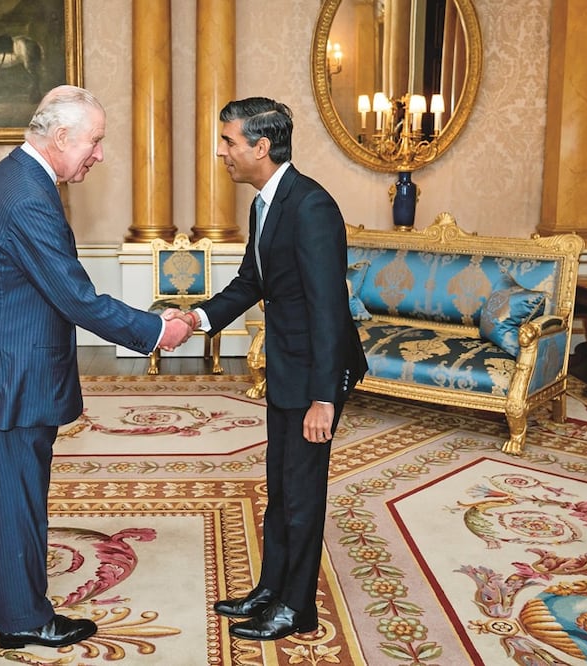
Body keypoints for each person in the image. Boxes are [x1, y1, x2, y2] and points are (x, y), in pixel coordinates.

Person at [0, 85, 192, 649]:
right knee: (20, 492)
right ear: (60, 138)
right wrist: (157, 330)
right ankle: (25, 618)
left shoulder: (10, 175)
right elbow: (76, 298)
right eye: (95, 141)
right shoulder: (29, 195)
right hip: (13, 375)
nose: (99, 154)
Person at [180, 97, 368, 641]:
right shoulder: (266, 202)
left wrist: (325, 398)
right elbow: (251, 282)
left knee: (303, 493)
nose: (222, 152)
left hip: (313, 376)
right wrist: (197, 317)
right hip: (287, 368)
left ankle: (297, 608)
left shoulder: (310, 206)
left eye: (229, 142)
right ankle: (271, 589)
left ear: (261, 147)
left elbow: (328, 308)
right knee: (282, 487)